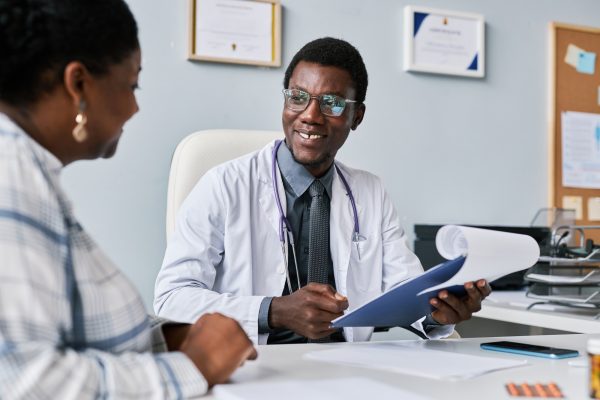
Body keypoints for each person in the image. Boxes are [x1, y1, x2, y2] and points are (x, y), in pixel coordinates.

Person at [154, 37, 491, 345]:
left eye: (331, 103)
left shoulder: (370, 192)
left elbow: (407, 291)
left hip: (346, 368)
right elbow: (171, 298)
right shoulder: (223, 185)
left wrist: (436, 313)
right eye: (298, 98)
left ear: (356, 116)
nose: (310, 116)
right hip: (255, 368)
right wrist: (274, 311)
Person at [0, 0, 256, 398]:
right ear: (78, 83)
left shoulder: (29, 170)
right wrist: (195, 366)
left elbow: (75, 331)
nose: (135, 107)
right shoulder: (10, 175)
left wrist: (167, 337)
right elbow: (27, 382)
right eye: (131, 85)